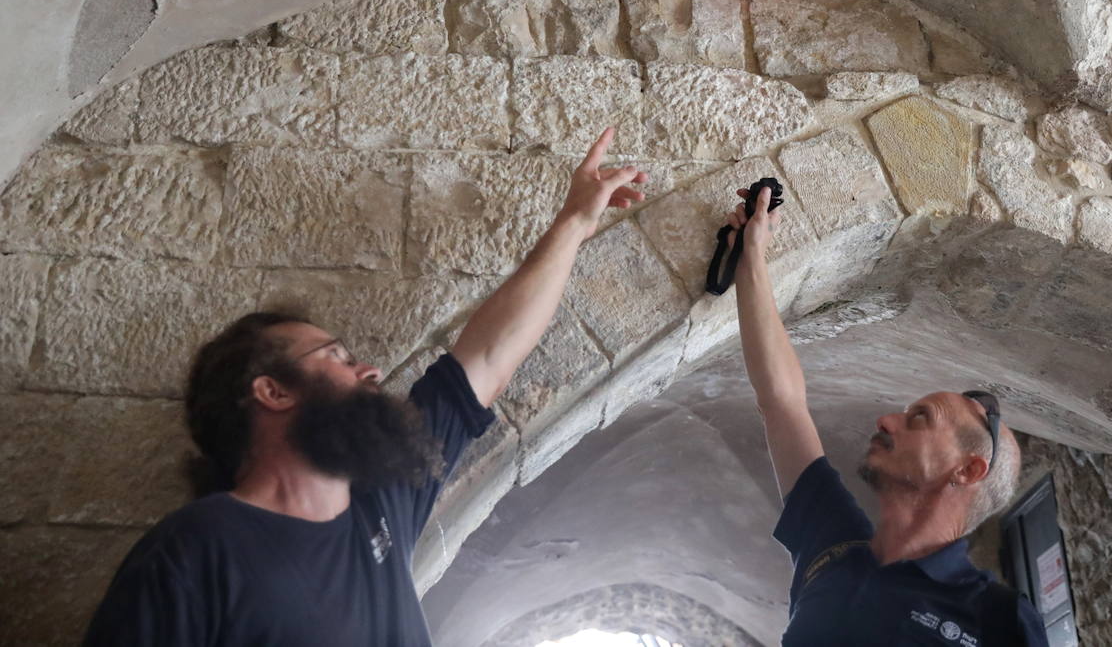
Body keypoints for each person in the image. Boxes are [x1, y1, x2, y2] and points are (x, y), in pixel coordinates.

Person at [83, 128, 648, 647]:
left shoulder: (382, 502)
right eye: (336, 358)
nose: (371, 372)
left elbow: (489, 353)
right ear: (273, 392)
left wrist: (575, 223)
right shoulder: (192, 552)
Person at [723, 184, 1050, 646]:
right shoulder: (833, 542)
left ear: (968, 469)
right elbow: (782, 402)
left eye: (920, 418)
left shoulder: (998, 619)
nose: (886, 421)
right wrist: (751, 258)